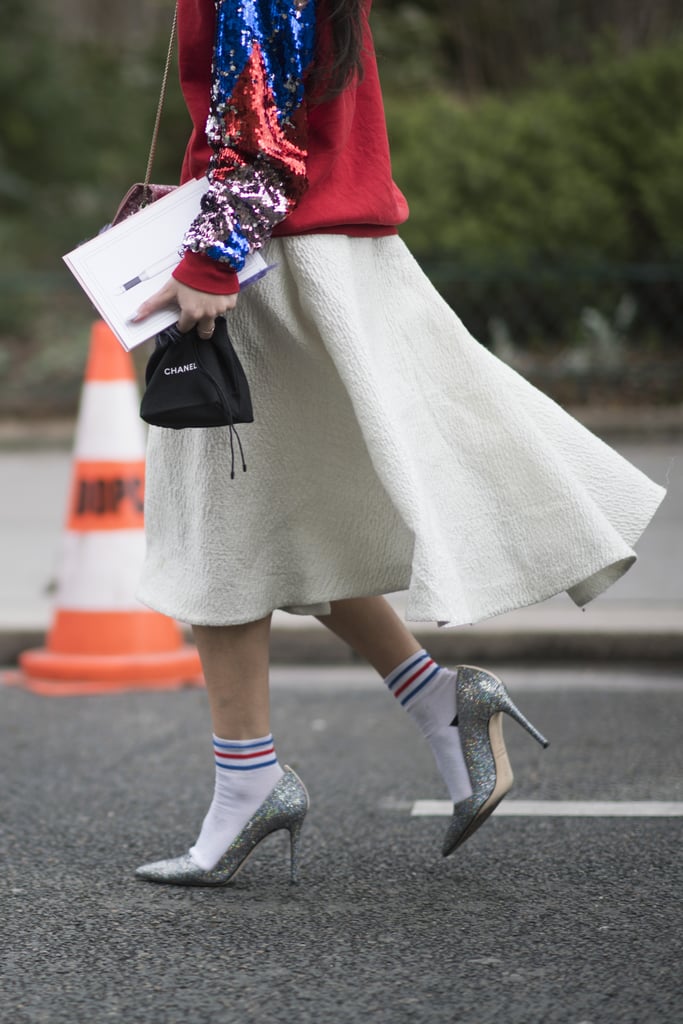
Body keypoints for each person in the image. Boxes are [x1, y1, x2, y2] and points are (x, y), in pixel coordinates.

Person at [132, 0, 665, 886]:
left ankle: (248, 780)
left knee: (217, 533)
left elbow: (262, 127)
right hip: (320, 258)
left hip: (273, 263)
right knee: (291, 517)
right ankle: (437, 702)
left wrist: (212, 258)